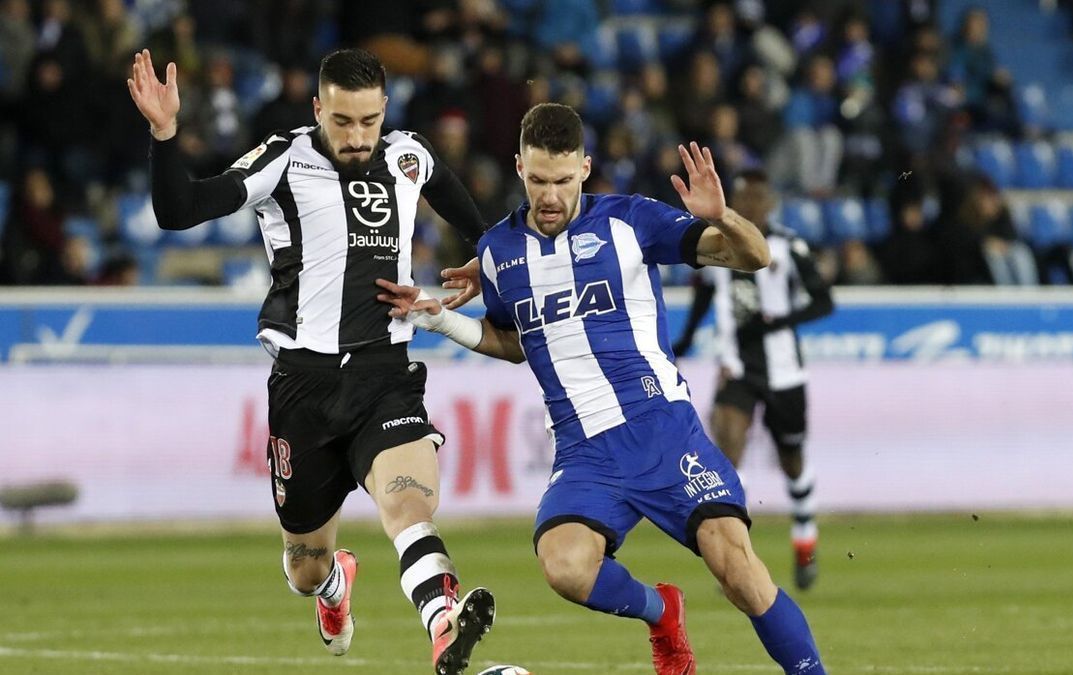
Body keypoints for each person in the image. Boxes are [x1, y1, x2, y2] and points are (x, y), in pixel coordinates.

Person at [378, 103, 825, 675]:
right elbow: (517, 342)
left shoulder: (630, 222)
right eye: (538, 180)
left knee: (736, 568)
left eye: (563, 181)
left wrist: (724, 216)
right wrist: (440, 319)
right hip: (585, 451)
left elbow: (754, 257)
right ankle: (663, 611)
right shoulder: (496, 252)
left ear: (585, 169)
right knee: (563, 566)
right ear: (519, 168)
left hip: (663, 432)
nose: (550, 196)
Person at [126, 47, 495, 675]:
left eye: (369, 121)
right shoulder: (283, 160)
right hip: (304, 387)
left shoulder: (412, 156)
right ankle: (331, 588)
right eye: (343, 121)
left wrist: (488, 269)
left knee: (407, 504)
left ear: (386, 112)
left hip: (386, 374)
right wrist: (165, 134)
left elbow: (481, 230)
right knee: (305, 565)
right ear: (318, 108)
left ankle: (443, 623)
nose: (356, 137)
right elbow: (178, 210)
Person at [671, 169, 834, 589]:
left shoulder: (788, 245)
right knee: (727, 461)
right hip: (736, 369)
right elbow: (703, 293)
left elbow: (824, 301)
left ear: (771, 203)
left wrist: (778, 322)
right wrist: (685, 340)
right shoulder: (715, 243)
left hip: (784, 372)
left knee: (792, 461)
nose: (752, 205)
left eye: (760, 198)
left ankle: (804, 539)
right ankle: (735, 558)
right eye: (745, 198)